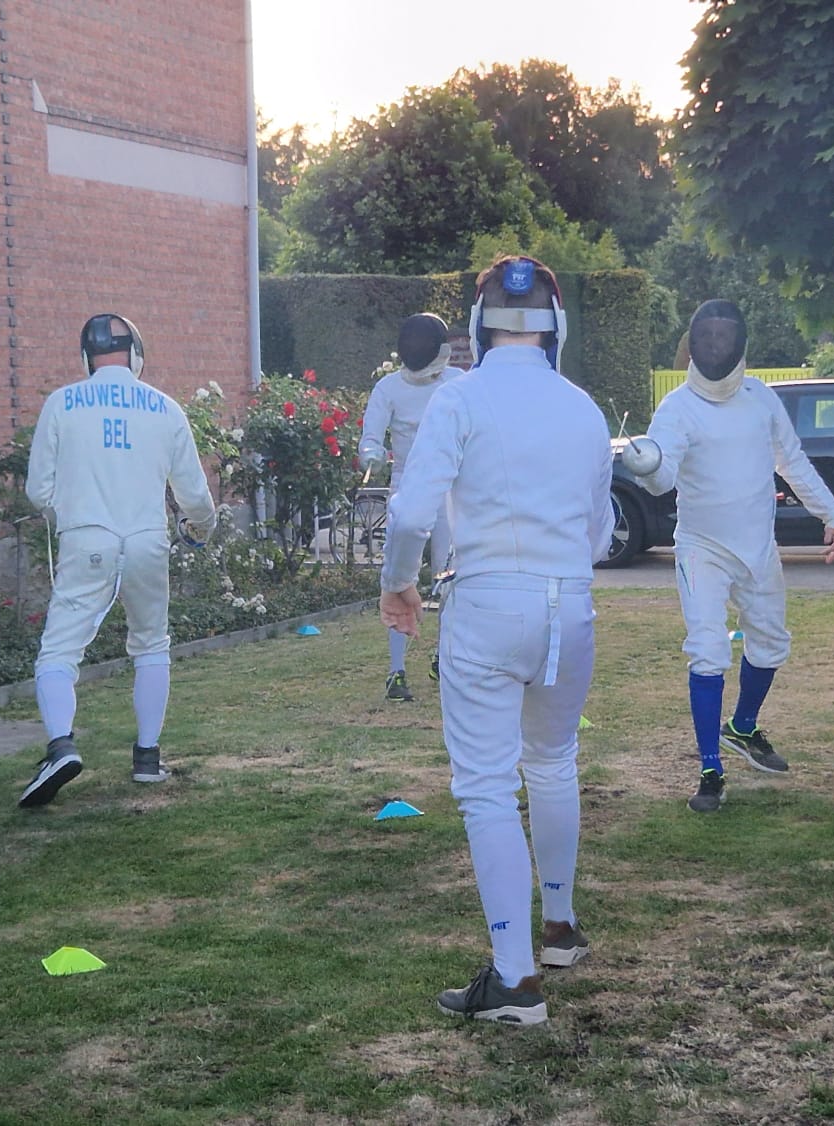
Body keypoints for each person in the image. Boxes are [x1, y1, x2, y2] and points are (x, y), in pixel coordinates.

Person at [380, 255, 615, 1025]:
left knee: (486, 786)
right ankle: (561, 928)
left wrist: (397, 582)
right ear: (557, 326)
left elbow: (411, 512)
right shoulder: (584, 408)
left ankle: (515, 980)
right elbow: (601, 532)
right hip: (568, 604)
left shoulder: (460, 397)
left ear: (478, 326)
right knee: (553, 760)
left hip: (487, 600)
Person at [628, 299, 834, 813]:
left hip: (758, 547)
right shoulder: (677, 408)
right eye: (706, 337)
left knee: (770, 646)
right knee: (708, 650)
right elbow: (663, 476)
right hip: (701, 548)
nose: (715, 346)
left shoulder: (760, 399)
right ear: (692, 344)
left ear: (741, 343)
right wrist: (648, 464)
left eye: (724, 337)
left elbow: (791, 460)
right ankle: (710, 769)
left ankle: (742, 727)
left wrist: (830, 513)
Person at [18, 313, 219, 808]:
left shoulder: (61, 403)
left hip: (88, 536)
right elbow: (195, 495)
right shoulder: (165, 407)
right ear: (136, 355)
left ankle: (61, 747)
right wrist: (202, 526)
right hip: (147, 540)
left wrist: (67, 514)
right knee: (151, 644)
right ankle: (147, 758)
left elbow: (38, 490)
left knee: (59, 652)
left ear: (86, 357)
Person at [359, 313, 464, 702]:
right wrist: (371, 455)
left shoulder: (458, 384)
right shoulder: (388, 388)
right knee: (397, 578)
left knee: (450, 575)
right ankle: (396, 670)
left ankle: (443, 658)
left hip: (449, 490)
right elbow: (370, 438)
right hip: (406, 487)